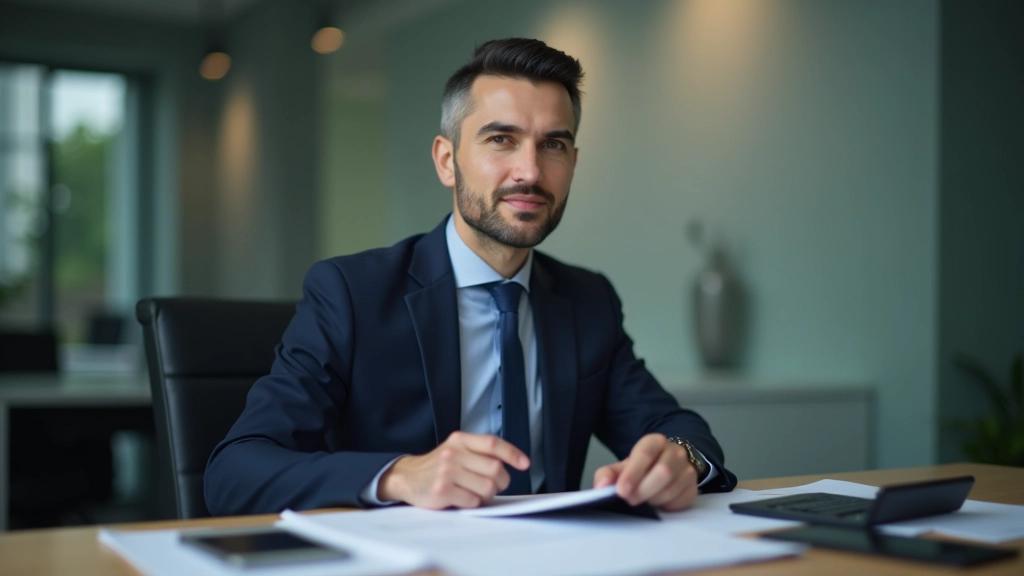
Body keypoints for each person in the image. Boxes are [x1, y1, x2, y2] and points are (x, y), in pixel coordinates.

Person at [205, 38, 736, 516]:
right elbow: (235, 471)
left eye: (552, 145)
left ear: (573, 162)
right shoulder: (350, 294)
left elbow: (681, 430)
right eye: (501, 139)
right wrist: (399, 475)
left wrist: (680, 461)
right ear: (446, 160)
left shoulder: (587, 299)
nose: (529, 171)